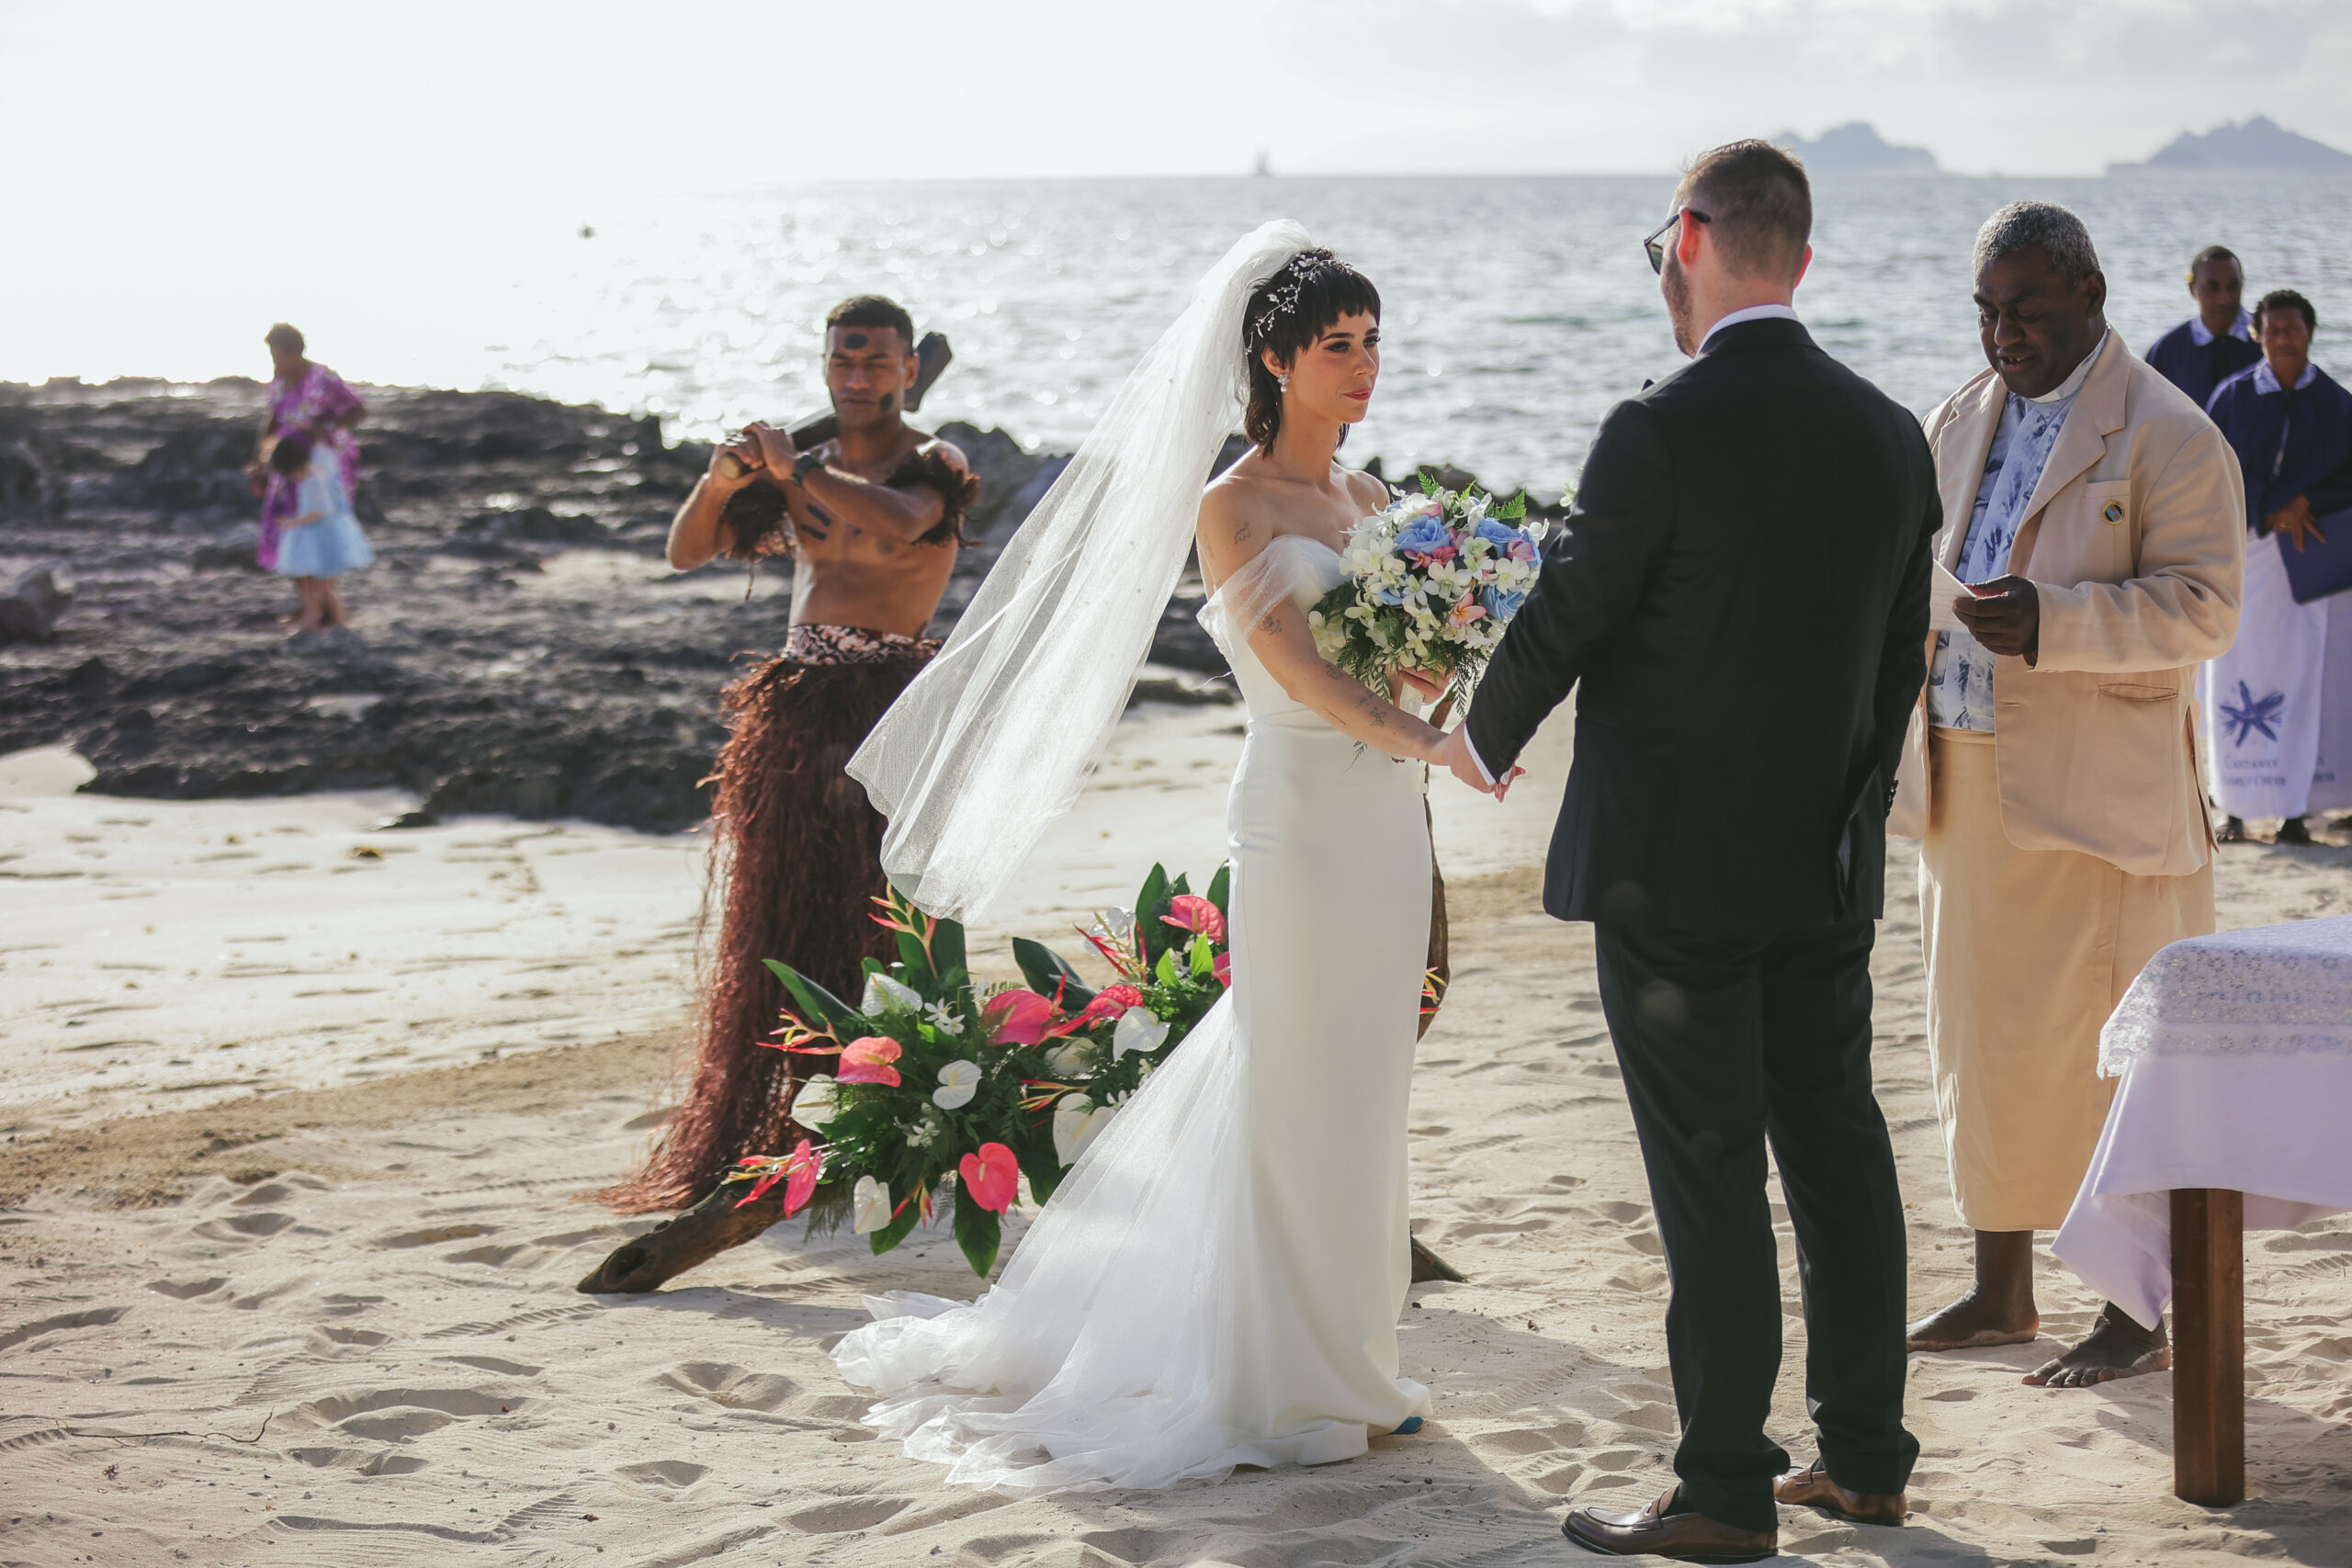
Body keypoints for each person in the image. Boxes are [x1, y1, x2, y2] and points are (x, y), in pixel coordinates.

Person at [830, 226, 1460, 1493]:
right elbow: (1297, 672)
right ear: (1273, 359)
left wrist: (1457, 653)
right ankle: (1275, 1372)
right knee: (1290, 1077)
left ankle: (1352, 1358)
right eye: (1336, 345)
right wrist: (1443, 744)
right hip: (1296, 816)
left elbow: (1404, 674)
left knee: (1366, 1086)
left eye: (1373, 341)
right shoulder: (1228, 505)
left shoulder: (1381, 504)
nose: (1362, 366)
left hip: (1387, 823)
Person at [1435, 141, 1936, 1562]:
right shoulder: (1892, 434)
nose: (1659, 269)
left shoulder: (1657, 427)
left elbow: (1579, 603)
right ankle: (1867, 1459)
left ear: (1698, 238)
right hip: (1826, 867)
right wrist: (1851, 820)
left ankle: (1722, 1484)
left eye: (1661, 242)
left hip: (1673, 879)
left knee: (1710, 1168)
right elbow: (1895, 669)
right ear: (1807, 258)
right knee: (1840, 1152)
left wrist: (1476, 736)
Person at [1894, 203, 2244, 1388]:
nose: (2004, 335)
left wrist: (2052, 622)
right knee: (1979, 1045)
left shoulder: (2171, 434)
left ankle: (2134, 1310)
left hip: (2102, 804)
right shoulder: (1959, 418)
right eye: (1986, 312)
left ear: (2091, 296)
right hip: (1962, 778)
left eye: (2027, 312)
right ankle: (2002, 1288)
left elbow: (2206, 608)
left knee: (2108, 1054)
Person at [599, 296, 976, 1229]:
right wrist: (726, 478)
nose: (857, 376)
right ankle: (787, 1133)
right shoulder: (797, 461)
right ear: (824, 363)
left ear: (908, 370)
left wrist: (796, 464)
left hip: (890, 712)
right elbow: (686, 550)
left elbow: (896, 525)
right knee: (782, 926)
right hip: (800, 709)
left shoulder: (936, 465)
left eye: (876, 362)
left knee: (884, 925)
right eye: (842, 359)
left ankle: (900, 1130)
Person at [2200, 288, 2352, 844]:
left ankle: (2296, 813)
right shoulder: (2232, 397)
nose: (2283, 338)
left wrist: (2307, 503)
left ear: (2310, 332)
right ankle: (2235, 808)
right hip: (2246, 552)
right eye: (2272, 330)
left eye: (2292, 328)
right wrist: (2269, 506)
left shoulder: (2337, 402)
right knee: (2235, 669)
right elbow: (2208, 466)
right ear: (2257, 336)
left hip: (2314, 559)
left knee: (2312, 676)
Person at [248, 325, 365, 595]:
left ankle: (325, 606)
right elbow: (274, 420)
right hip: (287, 463)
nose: (275, 361)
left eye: (277, 355)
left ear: (293, 353)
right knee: (287, 531)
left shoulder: (323, 379)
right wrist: (260, 463)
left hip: (322, 466)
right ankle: (307, 604)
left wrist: (324, 430)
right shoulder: (279, 381)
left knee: (321, 529)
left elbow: (357, 411)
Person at [266, 434, 374, 634]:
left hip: (320, 539)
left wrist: (293, 522)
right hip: (312, 536)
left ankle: (339, 622)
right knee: (312, 584)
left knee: (323, 587)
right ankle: (312, 618)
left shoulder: (313, 481)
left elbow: (320, 510)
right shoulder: (317, 470)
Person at [2144, 246, 2262, 412]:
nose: (2224, 299)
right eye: (2212, 288)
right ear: (2193, 288)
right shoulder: (2168, 352)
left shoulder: (2270, 341)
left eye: (2232, 287)